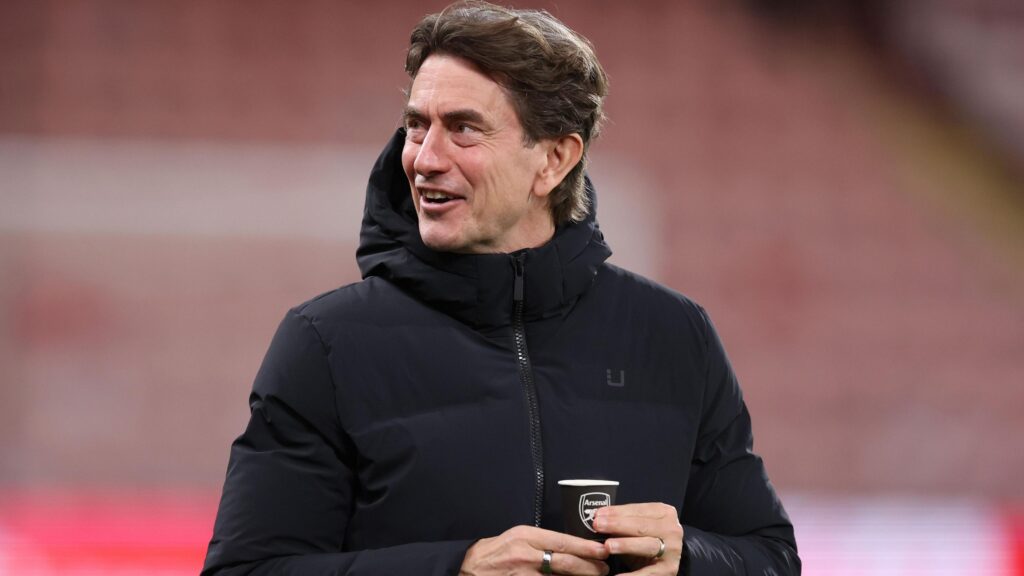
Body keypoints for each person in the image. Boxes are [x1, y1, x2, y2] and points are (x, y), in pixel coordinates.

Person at [202, 2, 800, 575]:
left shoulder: (672, 335)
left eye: (463, 129)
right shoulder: (326, 342)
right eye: (417, 126)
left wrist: (688, 558)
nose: (424, 159)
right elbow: (247, 568)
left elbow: (771, 558)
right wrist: (456, 568)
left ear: (554, 160)